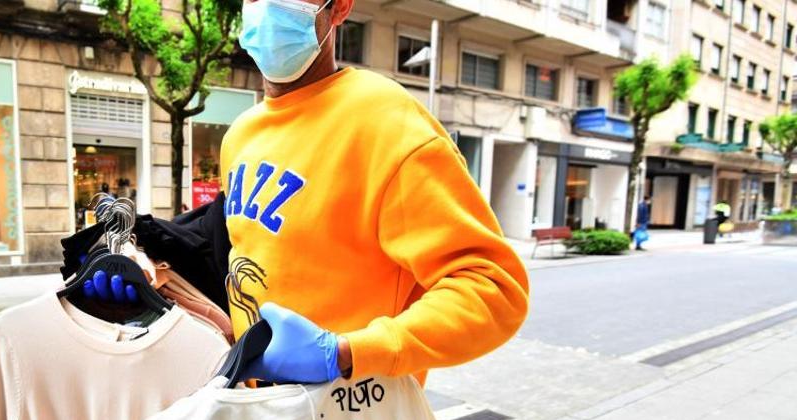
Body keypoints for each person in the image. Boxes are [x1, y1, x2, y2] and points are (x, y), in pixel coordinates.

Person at [86, 0, 528, 388]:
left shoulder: (388, 123)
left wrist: (345, 352)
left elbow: (493, 290)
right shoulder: (241, 133)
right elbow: (242, 256)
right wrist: (147, 273)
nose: (267, 7)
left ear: (339, 7)